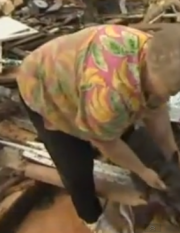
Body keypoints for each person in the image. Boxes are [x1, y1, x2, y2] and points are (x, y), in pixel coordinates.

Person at [16, 24, 180, 233]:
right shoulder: (110, 95)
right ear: (150, 73)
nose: (168, 97)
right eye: (168, 91)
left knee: (125, 128)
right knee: (76, 167)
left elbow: (157, 110)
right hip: (46, 84)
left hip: (86, 78)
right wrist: (142, 171)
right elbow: (105, 141)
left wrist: (173, 153)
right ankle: (91, 217)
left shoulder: (159, 55)